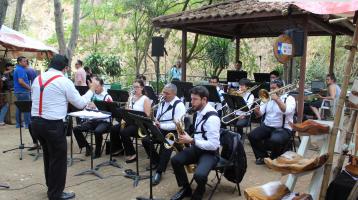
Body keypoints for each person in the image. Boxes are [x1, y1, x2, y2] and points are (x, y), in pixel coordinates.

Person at [30, 54, 100, 200]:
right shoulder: (63, 81)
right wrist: (92, 89)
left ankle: (51, 188)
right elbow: (80, 103)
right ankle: (55, 194)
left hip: (36, 123)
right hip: (52, 125)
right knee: (58, 160)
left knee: (48, 156)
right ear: (65, 68)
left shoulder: (38, 79)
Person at [170, 86, 220, 200]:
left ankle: (200, 189)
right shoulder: (199, 111)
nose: (191, 102)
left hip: (210, 153)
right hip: (197, 147)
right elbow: (198, 133)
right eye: (191, 99)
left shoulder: (212, 118)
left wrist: (191, 140)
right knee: (175, 160)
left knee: (199, 175)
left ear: (204, 100)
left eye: (195, 99)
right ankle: (186, 189)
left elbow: (214, 145)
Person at [142, 83, 186, 185]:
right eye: (163, 92)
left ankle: (159, 172)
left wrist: (160, 125)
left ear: (174, 94)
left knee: (166, 145)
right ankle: (157, 162)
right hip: (161, 128)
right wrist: (154, 121)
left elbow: (177, 125)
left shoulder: (179, 105)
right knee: (145, 140)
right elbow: (158, 118)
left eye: (167, 93)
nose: (164, 95)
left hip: (174, 132)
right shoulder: (162, 101)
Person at [248, 79, 296, 165]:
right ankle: (263, 157)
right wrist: (257, 111)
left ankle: (274, 158)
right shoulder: (267, 98)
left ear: (281, 88)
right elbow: (260, 114)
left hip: (283, 128)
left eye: (274, 88)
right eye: (271, 88)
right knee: (252, 135)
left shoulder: (289, 98)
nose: (272, 91)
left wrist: (277, 99)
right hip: (268, 126)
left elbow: (287, 110)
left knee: (275, 140)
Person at [73, 77, 114, 158]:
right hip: (92, 120)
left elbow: (111, 113)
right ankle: (88, 147)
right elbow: (86, 107)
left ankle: (97, 152)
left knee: (97, 131)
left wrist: (97, 106)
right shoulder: (92, 95)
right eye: (94, 86)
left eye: (97, 86)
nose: (95, 88)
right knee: (76, 129)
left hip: (104, 122)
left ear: (102, 85)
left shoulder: (107, 97)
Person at [119, 79, 151, 163]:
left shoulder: (145, 99)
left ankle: (132, 154)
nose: (135, 89)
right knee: (115, 128)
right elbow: (126, 111)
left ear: (142, 88)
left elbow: (147, 115)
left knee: (124, 132)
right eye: (134, 87)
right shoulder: (131, 98)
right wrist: (127, 108)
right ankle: (118, 149)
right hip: (130, 122)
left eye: (137, 87)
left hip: (140, 125)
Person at [13, 56, 31, 129]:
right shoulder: (20, 70)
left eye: (26, 61)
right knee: (26, 108)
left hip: (19, 91)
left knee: (19, 108)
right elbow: (21, 82)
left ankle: (18, 124)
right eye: (24, 61)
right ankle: (27, 124)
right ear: (19, 62)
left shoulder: (18, 69)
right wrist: (30, 88)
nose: (26, 62)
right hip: (23, 91)